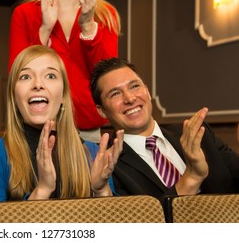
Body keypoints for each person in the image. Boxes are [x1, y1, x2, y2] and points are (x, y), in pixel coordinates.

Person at [0, 45, 124, 203]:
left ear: (62, 96)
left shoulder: (94, 154)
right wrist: (42, 190)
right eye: (25, 77)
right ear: (14, 97)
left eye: (50, 76)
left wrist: (101, 191)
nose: (38, 84)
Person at [90, 58, 239, 204]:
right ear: (102, 111)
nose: (130, 98)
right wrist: (192, 177)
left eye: (134, 86)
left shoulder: (196, 133)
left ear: (147, 92)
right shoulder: (108, 165)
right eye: (115, 93)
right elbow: (141, 225)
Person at [9, 0, 120, 143]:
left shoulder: (106, 15)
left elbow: (108, 78)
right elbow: (17, 76)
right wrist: (44, 29)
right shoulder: (25, 14)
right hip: (38, 128)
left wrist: (88, 27)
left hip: (88, 131)